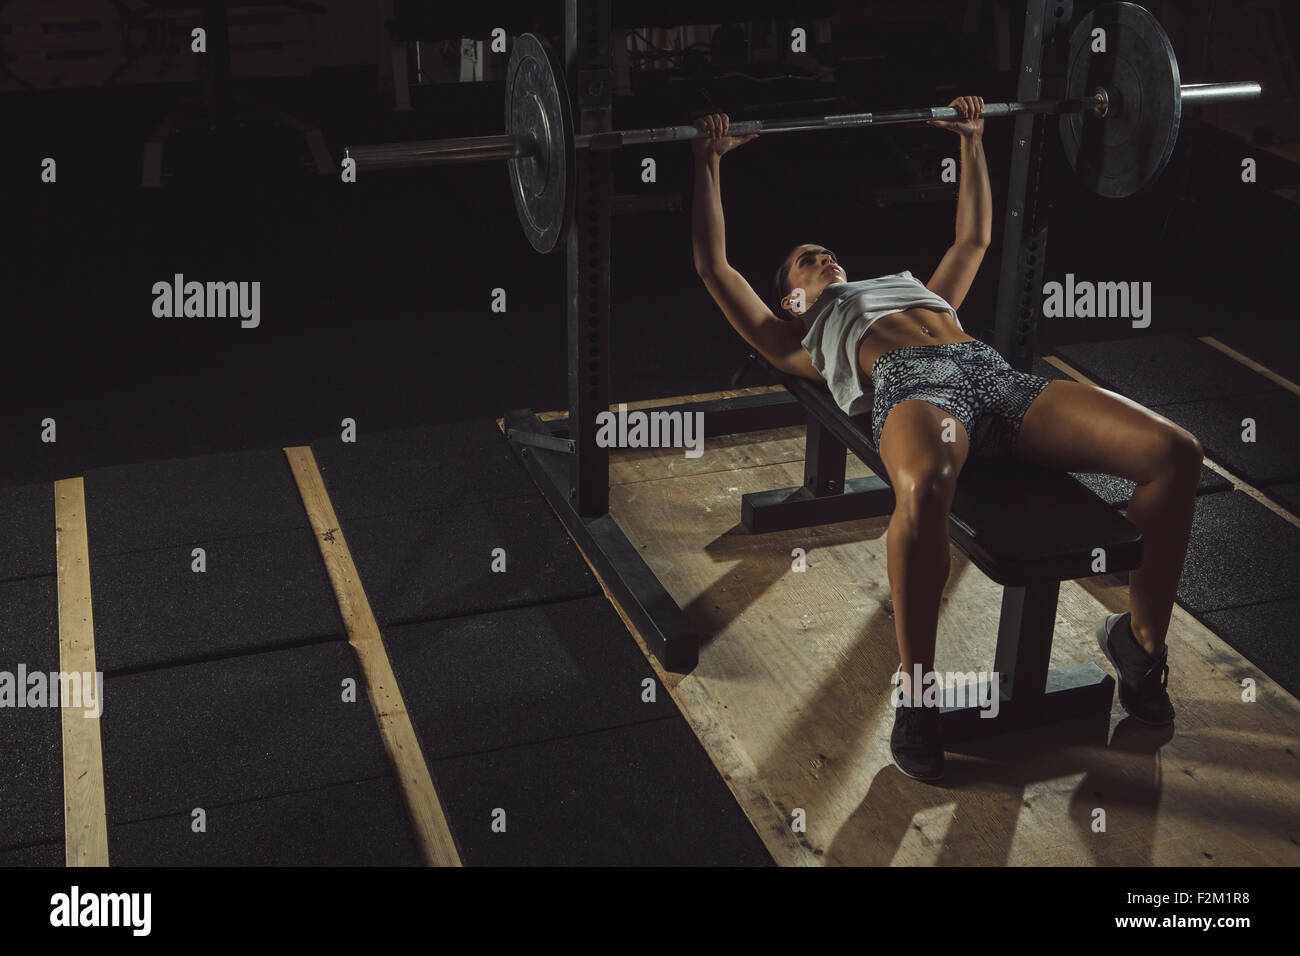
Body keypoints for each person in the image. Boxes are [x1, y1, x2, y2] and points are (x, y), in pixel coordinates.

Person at [690, 101, 1203, 782]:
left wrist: (971, 140)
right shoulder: (801, 337)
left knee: (1176, 453)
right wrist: (708, 161)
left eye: (826, 252)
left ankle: (1140, 644)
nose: (822, 256)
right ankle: (921, 697)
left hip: (995, 376)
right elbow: (714, 267)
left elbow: (973, 242)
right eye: (804, 262)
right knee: (927, 486)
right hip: (918, 390)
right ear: (791, 300)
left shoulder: (910, 288)